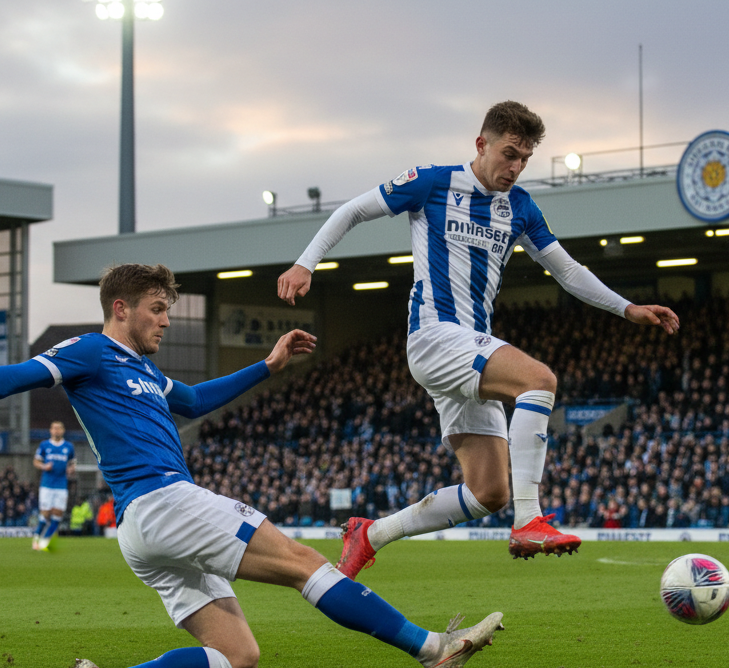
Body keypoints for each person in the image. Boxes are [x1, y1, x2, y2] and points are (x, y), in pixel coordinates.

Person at [0, 263, 503, 668]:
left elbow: (193, 400)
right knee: (301, 562)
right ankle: (431, 648)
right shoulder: (89, 351)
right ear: (121, 309)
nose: (165, 322)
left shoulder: (144, 372)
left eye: (169, 311)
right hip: (160, 500)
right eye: (157, 310)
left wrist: (267, 366)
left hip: (144, 528)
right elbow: (16, 375)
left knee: (239, 659)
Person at [277, 101, 679, 576]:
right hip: (434, 335)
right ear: (481, 144)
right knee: (539, 380)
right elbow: (353, 211)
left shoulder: (521, 207)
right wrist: (306, 262)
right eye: (509, 154)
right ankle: (530, 520)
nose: (516, 167)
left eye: (525, 159)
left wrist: (626, 307)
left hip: (469, 347)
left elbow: (566, 269)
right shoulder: (433, 183)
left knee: (488, 492)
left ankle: (373, 533)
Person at [32, 421, 76, 550]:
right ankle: (36, 538)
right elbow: (36, 461)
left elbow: (72, 463)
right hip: (47, 485)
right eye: (54, 428)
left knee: (57, 515)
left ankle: (45, 542)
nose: (56, 430)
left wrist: (71, 469)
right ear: (50, 430)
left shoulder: (69, 446)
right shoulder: (44, 445)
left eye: (59, 428)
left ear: (63, 430)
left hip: (61, 485)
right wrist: (44, 466)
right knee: (45, 513)